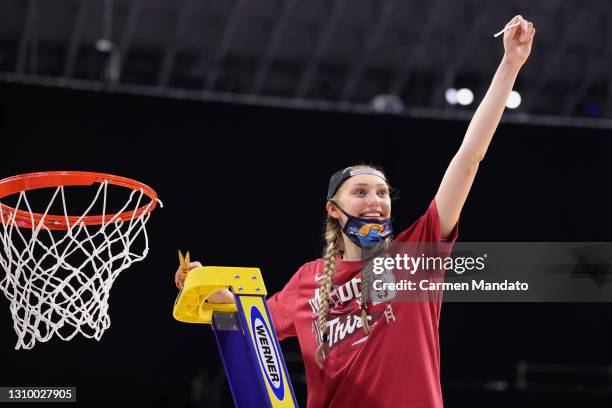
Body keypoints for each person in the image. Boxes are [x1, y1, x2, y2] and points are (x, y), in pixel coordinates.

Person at [175, 15, 536, 408]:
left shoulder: (416, 256)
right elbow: (246, 319)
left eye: (382, 192)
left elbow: (469, 158)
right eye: (361, 191)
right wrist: (201, 282)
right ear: (334, 210)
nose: (376, 200)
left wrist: (510, 64)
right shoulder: (308, 282)